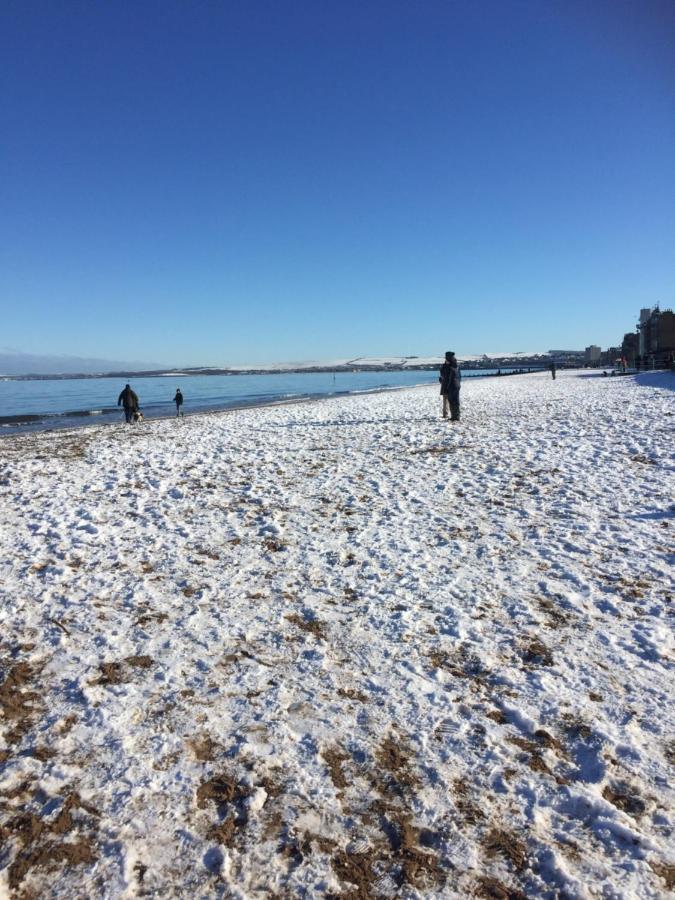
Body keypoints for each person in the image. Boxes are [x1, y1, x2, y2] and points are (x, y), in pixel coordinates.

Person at [439, 351, 461, 421]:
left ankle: (455, 417)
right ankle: (456, 416)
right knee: (455, 401)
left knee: (452, 401)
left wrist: (447, 387)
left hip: (452, 385)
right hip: (456, 384)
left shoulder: (450, 367)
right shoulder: (455, 365)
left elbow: (447, 377)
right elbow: (459, 376)